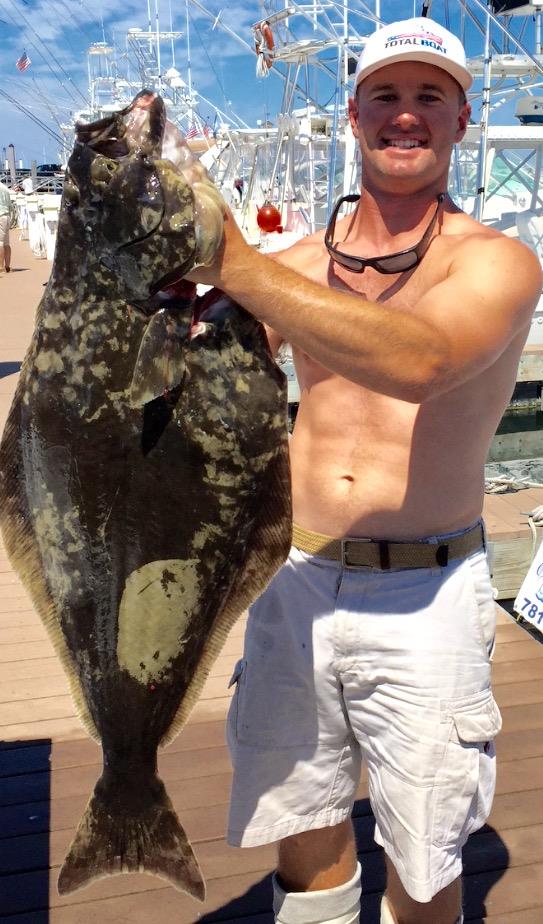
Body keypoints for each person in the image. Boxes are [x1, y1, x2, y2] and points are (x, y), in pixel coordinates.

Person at [188, 17, 542, 924]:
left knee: (424, 866)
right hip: (294, 577)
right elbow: (181, 387)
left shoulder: (497, 262)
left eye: (429, 96)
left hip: (427, 593)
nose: (405, 114)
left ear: (462, 120)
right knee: (303, 836)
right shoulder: (293, 267)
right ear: (353, 116)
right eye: (385, 94)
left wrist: (240, 266)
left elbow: (422, 358)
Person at [0, 179, 12, 274]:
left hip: (0, 215)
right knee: (6, 243)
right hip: (7, 215)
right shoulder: (5, 187)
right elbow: (10, 205)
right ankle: (7, 265)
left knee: (0, 242)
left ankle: (0, 266)